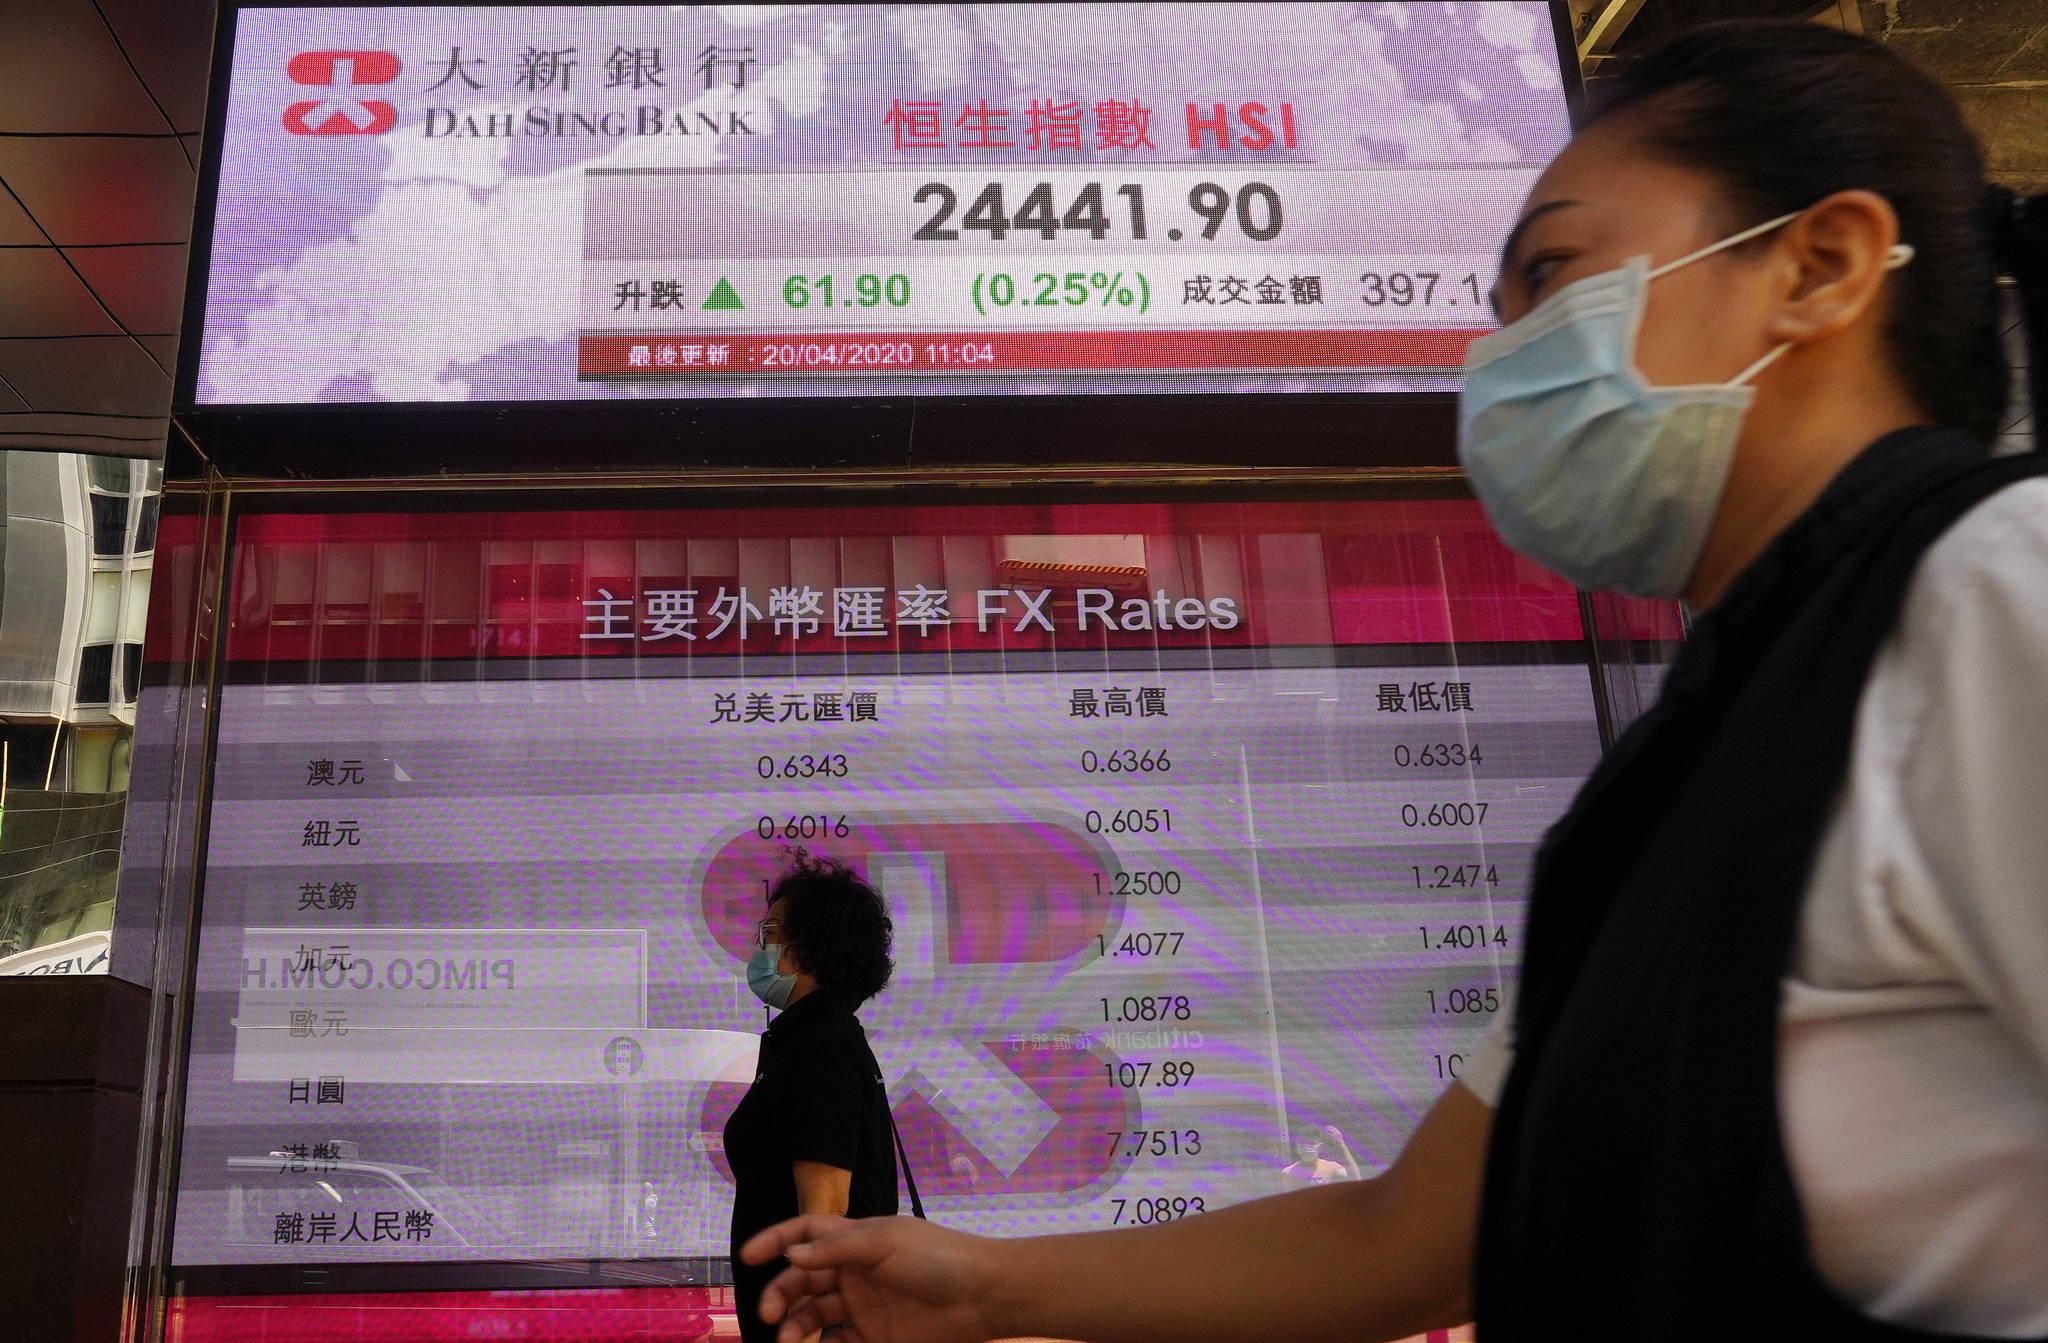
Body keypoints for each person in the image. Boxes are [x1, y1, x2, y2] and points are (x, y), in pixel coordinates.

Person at [740, 21, 2048, 1342]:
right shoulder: (1691, 757)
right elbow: (1411, 1238)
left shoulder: (1995, 582)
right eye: (1500, 313)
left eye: (1552, 274)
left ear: (1819, 266)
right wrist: (984, 1285)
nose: (1501, 359)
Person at [724, 856, 898, 1343]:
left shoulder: (819, 1043)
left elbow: (824, 1215)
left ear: (810, 947)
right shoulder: (811, 1037)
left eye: (770, 932)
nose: (760, 946)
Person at [1280, 1125, 1360, 1184]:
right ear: (1296, 1146)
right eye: (1302, 1142)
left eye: (1311, 1143)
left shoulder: (1332, 1169)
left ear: (1320, 1147)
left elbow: (1356, 1182)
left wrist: (1341, 1145)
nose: (1306, 1146)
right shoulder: (1287, 1173)